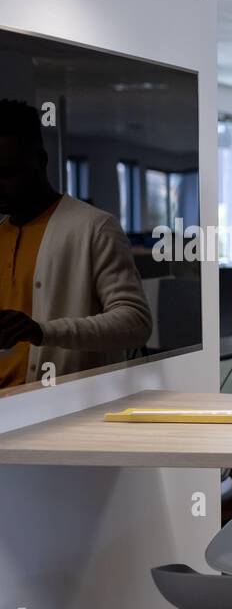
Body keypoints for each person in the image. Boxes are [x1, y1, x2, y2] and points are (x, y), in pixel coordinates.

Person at [0, 99, 151, 392]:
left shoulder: (94, 228)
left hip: (62, 408)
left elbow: (136, 323)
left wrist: (42, 331)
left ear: (41, 161)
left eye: (8, 173)